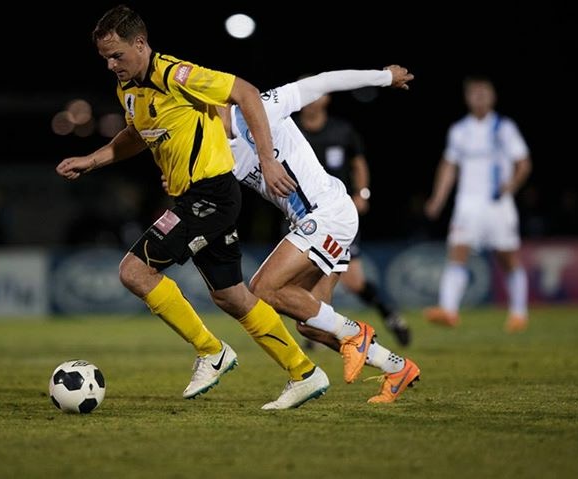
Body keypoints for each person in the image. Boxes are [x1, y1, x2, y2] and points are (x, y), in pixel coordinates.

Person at [55, 4, 328, 410]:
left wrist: (267, 159)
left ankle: (210, 350)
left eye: (117, 55)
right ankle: (304, 371)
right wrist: (92, 160)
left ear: (140, 44)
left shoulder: (175, 74)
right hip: (195, 198)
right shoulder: (128, 90)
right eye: (106, 58)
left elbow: (245, 92)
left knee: (134, 271)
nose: (112, 65)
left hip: (211, 195)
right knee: (232, 297)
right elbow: (137, 134)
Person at [218, 65, 421, 403]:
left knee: (263, 288)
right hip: (314, 223)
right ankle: (396, 367)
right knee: (312, 323)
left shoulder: (261, 106)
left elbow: (324, 81)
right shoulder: (217, 152)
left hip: (328, 214)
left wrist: (384, 77)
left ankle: (356, 333)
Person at [295, 83, 412, 347]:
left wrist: (362, 194)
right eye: (305, 94)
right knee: (301, 277)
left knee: (353, 281)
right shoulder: (291, 130)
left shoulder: (342, 131)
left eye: (316, 93)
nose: (311, 99)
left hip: (337, 215)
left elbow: (358, 163)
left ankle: (389, 314)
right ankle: (315, 330)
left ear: (326, 98)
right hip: (302, 214)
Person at [423, 75, 532, 333]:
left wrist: (512, 185)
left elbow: (524, 163)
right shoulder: (459, 130)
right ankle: (448, 310)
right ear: (467, 98)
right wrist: (438, 199)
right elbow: (449, 166)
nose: (479, 97)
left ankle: (519, 313)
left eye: (484, 92)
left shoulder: (504, 128)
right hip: (467, 203)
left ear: (493, 96)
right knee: (457, 251)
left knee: (506, 257)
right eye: (475, 93)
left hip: (497, 204)